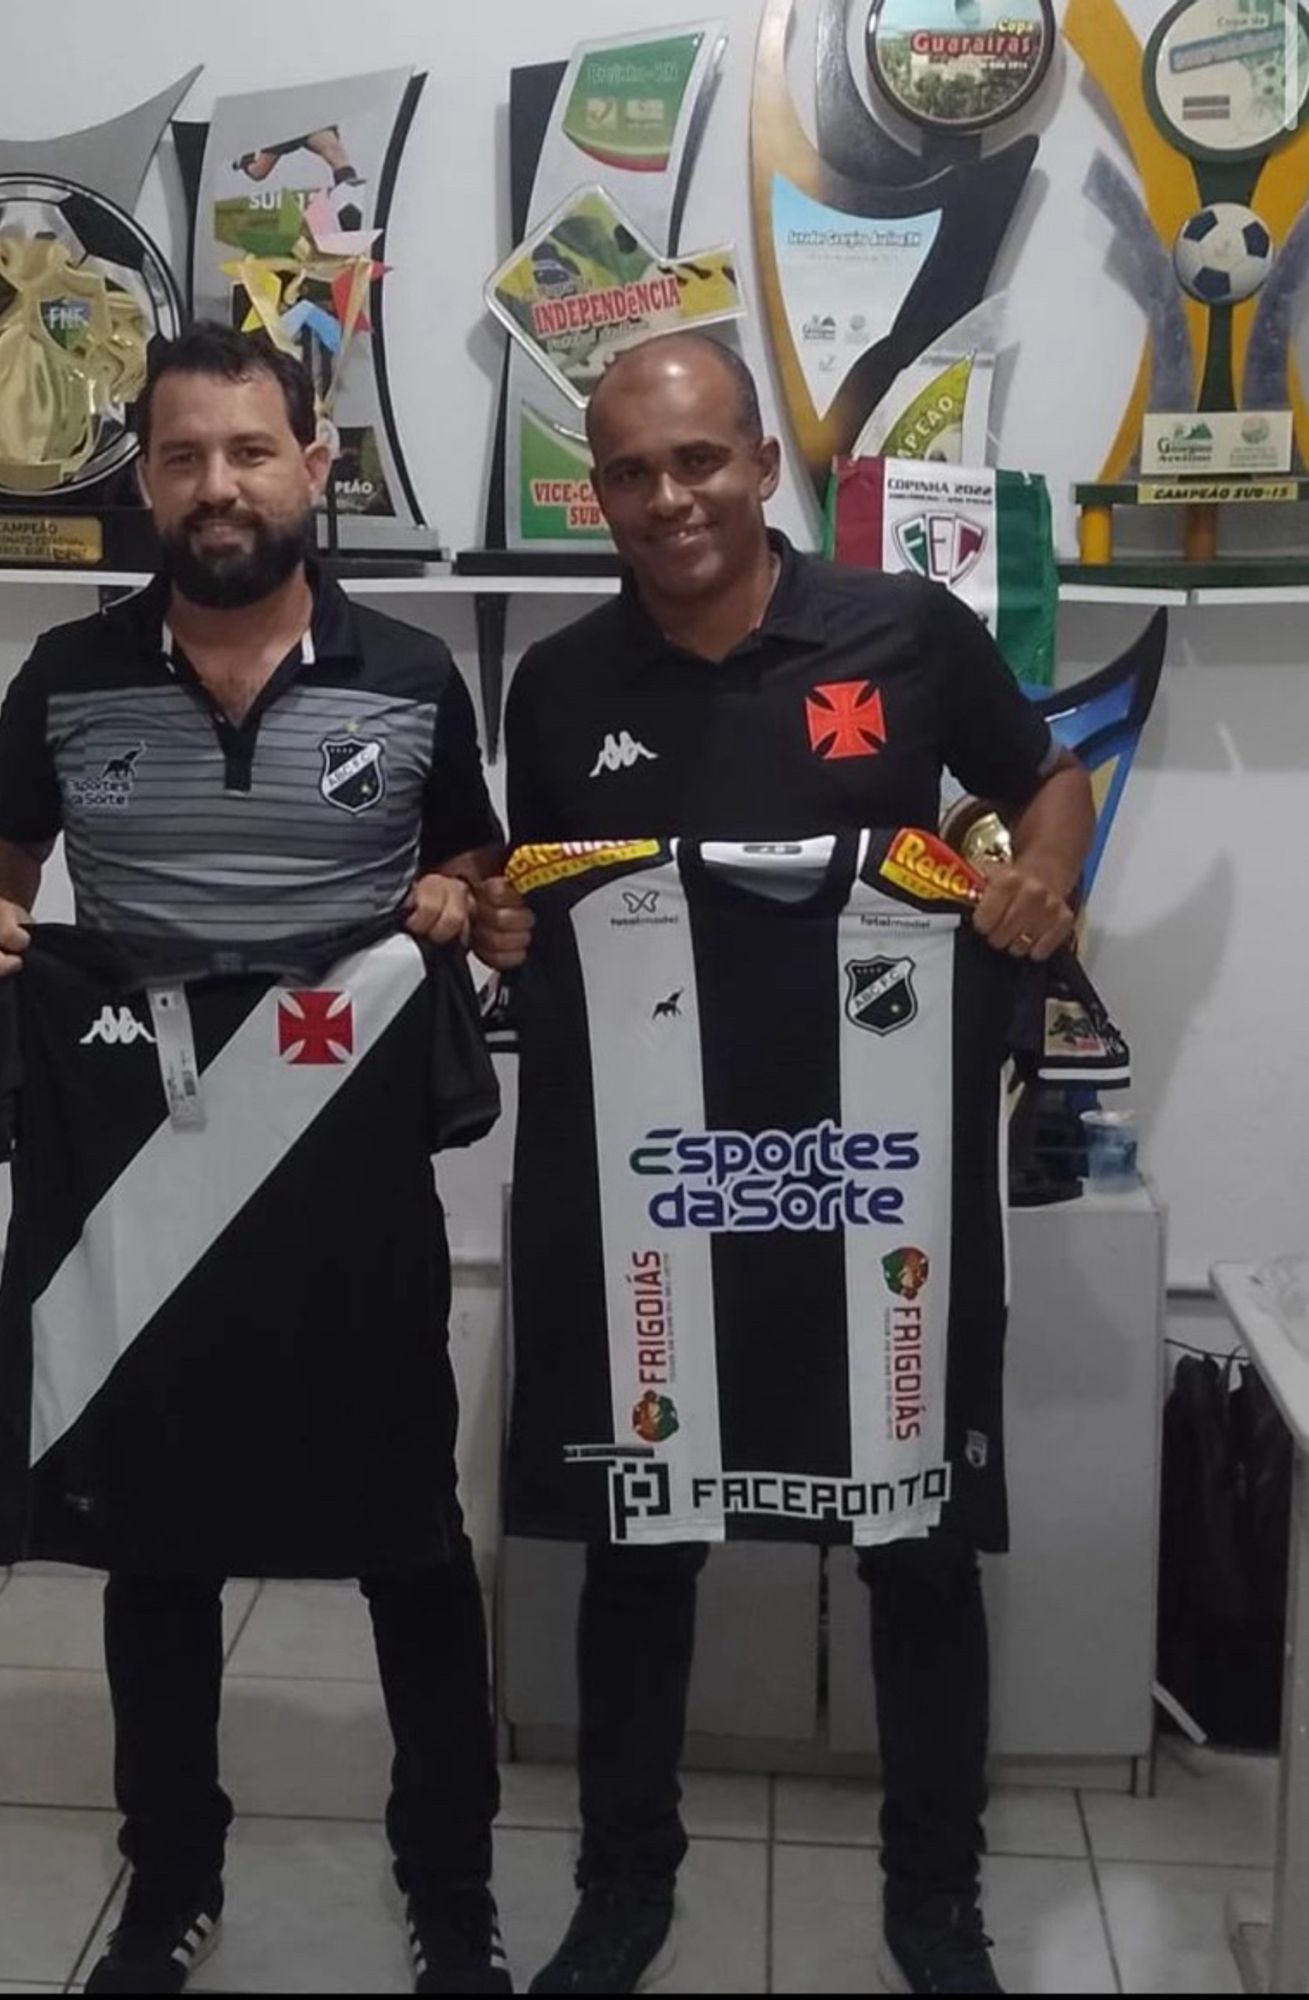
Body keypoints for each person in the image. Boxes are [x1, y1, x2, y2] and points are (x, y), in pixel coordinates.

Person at [471, 330, 1095, 1998]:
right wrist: (503, 922)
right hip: (655, 1197)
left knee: (915, 1542)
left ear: (760, 464)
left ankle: (935, 1896)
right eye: (628, 473)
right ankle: (622, 1886)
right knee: (640, 1539)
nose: (667, 498)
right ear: (596, 495)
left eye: (697, 461)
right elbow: (529, 895)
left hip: (873, 1180)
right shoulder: (559, 684)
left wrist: (1041, 880)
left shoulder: (902, 632)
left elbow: (1048, 784)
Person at [0, 323, 509, 1997]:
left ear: (313, 465)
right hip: (150, 1170)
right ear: (147, 478)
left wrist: (455, 897)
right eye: (184, 456)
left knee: (409, 1537)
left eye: (250, 451)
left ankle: (452, 1888)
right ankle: (170, 1880)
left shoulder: (410, 673)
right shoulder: (67, 673)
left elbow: (477, 866)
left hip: (347, 1177)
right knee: (160, 1540)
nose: (217, 486)